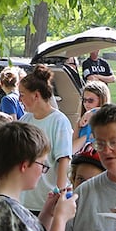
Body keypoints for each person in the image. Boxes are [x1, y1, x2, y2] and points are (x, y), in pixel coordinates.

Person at [19, 65, 74, 209]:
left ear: (36, 95)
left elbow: (64, 160)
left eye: (22, 94)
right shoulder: (25, 120)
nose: (20, 99)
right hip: (26, 201)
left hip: (48, 202)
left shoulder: (59, 121)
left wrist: (59, 195)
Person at [73, 79, 110, 157]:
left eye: (90, 100)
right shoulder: (83, 120)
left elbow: (113, 111)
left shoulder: (106, 119)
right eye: (84, 100)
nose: (86, 104)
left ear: (101, 99)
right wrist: (78, 126)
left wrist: (94, 111)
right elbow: (72, 147)